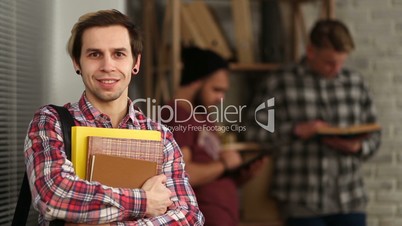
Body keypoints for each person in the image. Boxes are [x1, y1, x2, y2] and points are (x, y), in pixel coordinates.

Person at [24, 9, 204, 226]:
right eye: (94, 54)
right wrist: (144, 202)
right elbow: (54, 196)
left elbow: (190, 217)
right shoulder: (51, 121)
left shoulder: (159, 136)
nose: (107, 66)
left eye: (119, 54)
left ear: (135, 62)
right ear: (76, 62)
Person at [246, 19, 381, 226]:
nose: (336, 69)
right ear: (310, 51)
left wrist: (358, 146)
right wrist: (296, 130)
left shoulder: (355, 83)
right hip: (301, 198)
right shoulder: (280, 82)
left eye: (341, 62)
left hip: (349, 197)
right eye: (329, 62)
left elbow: (375, 134)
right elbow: (253, 132)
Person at [160, 46, 264, 226]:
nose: (221, 98)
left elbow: (211, 172)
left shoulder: (203, 116)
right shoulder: (176, 115)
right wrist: (224, 165)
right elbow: (182, 174)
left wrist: (238, 174)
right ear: (196, 82)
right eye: (216, 89)